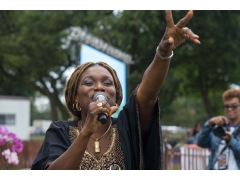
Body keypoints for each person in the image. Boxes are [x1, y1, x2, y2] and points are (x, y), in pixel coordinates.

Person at [31, 10, 200, 170]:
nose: (99, 87)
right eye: (89, 83)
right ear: (75, 97)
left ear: (117, 97)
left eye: (107, 83)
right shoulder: (60, 131)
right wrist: (87, 131)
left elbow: (148, 94)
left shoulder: (127, 128)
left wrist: (163, 51)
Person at [197, 89, 240, 170]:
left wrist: (231, 141)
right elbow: (201, 143)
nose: (229, 109)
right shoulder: (219, 128)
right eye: (226, 106)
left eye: (234, 106)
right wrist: (209, 123)